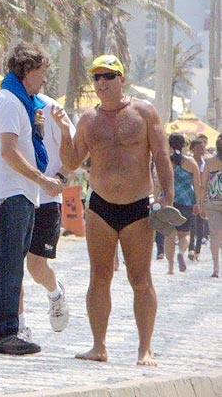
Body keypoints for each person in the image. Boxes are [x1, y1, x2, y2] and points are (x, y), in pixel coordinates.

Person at [53, 54, 173, 366]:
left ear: (121, 78)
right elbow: (70, 163)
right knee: (99, 276)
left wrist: (167, 198)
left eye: (108, 76)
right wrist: (64, 132)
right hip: (100, 206)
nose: (102, 82)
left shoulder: (143, 112)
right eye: (97, 77)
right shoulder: (89, 120)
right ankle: (98, 346)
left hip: (137, 206)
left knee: (140, 278)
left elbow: (161, 155)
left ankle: (144, 349)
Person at [0, 42, 62, 356]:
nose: (44, 79)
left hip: (17, 194)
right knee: (7, 266)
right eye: (42, 72)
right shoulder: (10, 103)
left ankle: (3, 331)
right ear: (28, 69)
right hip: (7, 195)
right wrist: (42, 180)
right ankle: (2, 333)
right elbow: (8, 151)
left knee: (7, 264)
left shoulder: (20, 102)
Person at [17, 93, 75, 342]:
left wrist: (60, 179)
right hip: (15, 194)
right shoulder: (8, 102)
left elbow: (74, 154)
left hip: (48, 197)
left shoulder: (52, 108)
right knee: (12, 264)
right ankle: (17, 324)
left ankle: (55, 294)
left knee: (36, 266)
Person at [164, 133, 202, 274]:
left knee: (169, 235)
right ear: (184, 145)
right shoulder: (191, 162)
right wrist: (198, 203)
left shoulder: (167, 160)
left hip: (169, 201)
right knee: (185, 233)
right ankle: (181, 252)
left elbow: (159, 181)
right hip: (186, 202)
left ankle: (170, 267)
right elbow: (197, 185)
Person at [201, 134, 222, 278]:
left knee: (214, 236)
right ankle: (215, 267)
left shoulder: (209, 162)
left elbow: (203, 185)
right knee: (215, 236)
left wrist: (201, 203)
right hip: (212, 204)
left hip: (212, 203)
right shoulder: (209, 162)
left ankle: (216, 268)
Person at [188, 137, 209, 261]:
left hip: (203, 194)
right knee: (192, 222)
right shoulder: (189, 162)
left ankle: (197, 251)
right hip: (191, 194)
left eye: (202, 148)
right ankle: (190, 248)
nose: (201, 150)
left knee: (201, 222)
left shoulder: (205, 163)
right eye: (198, 148)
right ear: (193, 149)